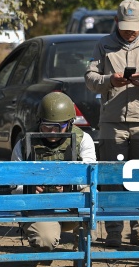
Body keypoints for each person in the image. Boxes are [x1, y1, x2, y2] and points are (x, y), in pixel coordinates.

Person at [85, 0, 139, 248]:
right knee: (112, 177)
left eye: (134, 26)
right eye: (124, 26)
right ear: (116, 22)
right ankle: (113, 231)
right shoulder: (103, 45)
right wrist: (109, 80)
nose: (129, 31)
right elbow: (90, 78)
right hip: (112, 121)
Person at [11, 92, 96, 257]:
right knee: (44, 241)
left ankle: (83, 248)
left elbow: (89, 176)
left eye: (59, 127)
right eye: (47, 125)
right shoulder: (23, 144)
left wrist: (68, 186)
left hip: (72, 203)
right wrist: (28, 188)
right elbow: (14, 183)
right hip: (40, 205)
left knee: (90, 194)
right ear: (39, 121)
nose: (52, 131)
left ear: (70, 123)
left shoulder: (83, 139)